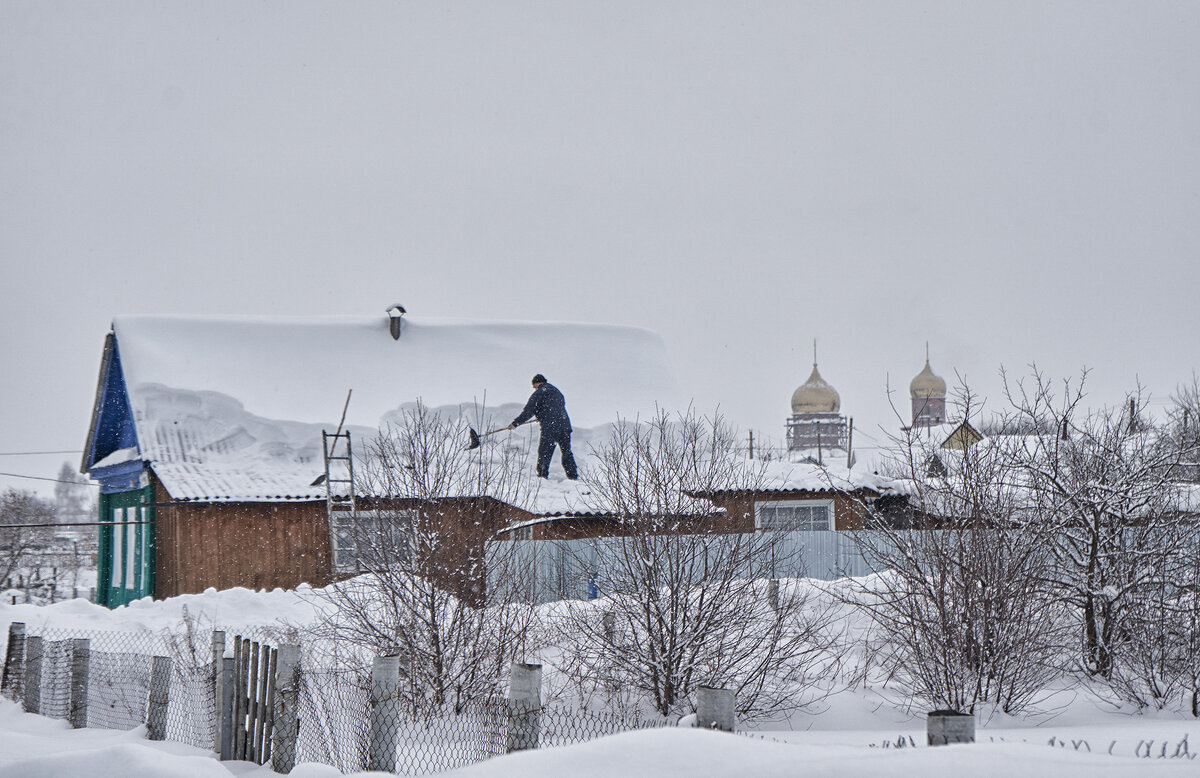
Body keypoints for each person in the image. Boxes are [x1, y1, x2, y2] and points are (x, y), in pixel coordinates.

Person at [509, 374, 578, 480]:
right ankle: (572, 475)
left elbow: (528, 411)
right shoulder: (557, 392)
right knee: (566, 451)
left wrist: (515, 423)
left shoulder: (539, 393)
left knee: (544, 451)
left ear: (537, 383)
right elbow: (555, 407)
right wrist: (542, 415)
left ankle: (542, 475)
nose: (533, 388)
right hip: (564, 426)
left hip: (550, 427)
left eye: (534, 386)